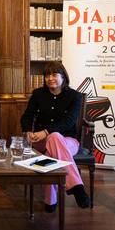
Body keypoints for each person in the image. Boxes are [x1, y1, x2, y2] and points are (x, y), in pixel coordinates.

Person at [20, 62, 90, 213]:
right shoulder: (38, 94)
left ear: (63, 77)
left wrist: (45, 132)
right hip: (40, 142)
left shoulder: (75, 96)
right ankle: (77, 187)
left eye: (54, 75)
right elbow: (27, 116)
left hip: (68, 141)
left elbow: (69, 121)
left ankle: (50, 201)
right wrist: (27, 132)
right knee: (52, 142)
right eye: (47, 75)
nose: (50, 78)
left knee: (54, 140)